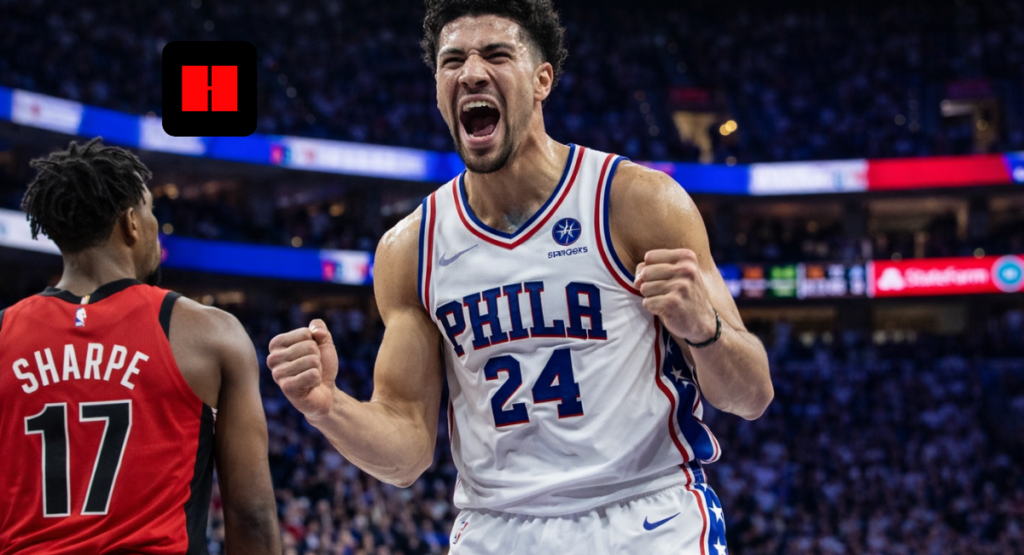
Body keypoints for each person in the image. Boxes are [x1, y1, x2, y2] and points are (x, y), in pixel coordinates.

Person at [268, 0, 773, 552]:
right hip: (498, 527)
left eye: (495, 54)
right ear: (437, 88)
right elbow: (408, 452)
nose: (471, 73)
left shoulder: (636, 202)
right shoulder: (410, 248)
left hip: (644, 514)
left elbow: (751, 395)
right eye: (452, 60)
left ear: (541, 81)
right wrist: (328, 406)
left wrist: (705, 331)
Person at [0, 139, 280, 555]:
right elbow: (252, 514)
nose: (153, 224)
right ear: (131, 222)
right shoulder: (210, 334)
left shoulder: (4, 333)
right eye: (150, 209)